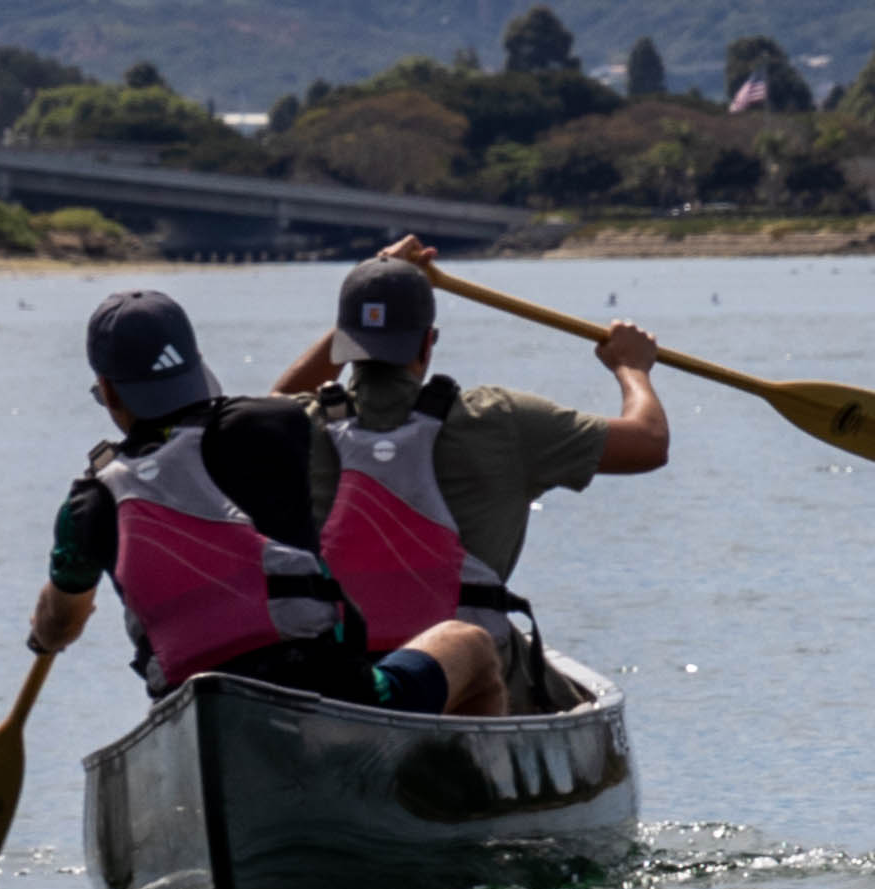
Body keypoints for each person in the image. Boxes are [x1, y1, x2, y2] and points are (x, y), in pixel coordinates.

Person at [268, 239, 668, 715]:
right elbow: (648, 443)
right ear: (427, 343)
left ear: (344, 344)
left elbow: (275, 401)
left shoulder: (292, 428)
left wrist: (369, 298)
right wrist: (632, 368)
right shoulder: (502, 420)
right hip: (470, 683)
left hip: (340, 677)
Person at [28, 287, 390, 706]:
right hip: (325, 682)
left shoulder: (88, 505)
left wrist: (42, 635)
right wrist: (355, 320)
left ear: (108, 392)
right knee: (464, 644)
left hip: (193, 701)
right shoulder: (273, 426)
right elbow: (285, 398)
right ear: (196, 367)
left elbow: (60, 622)